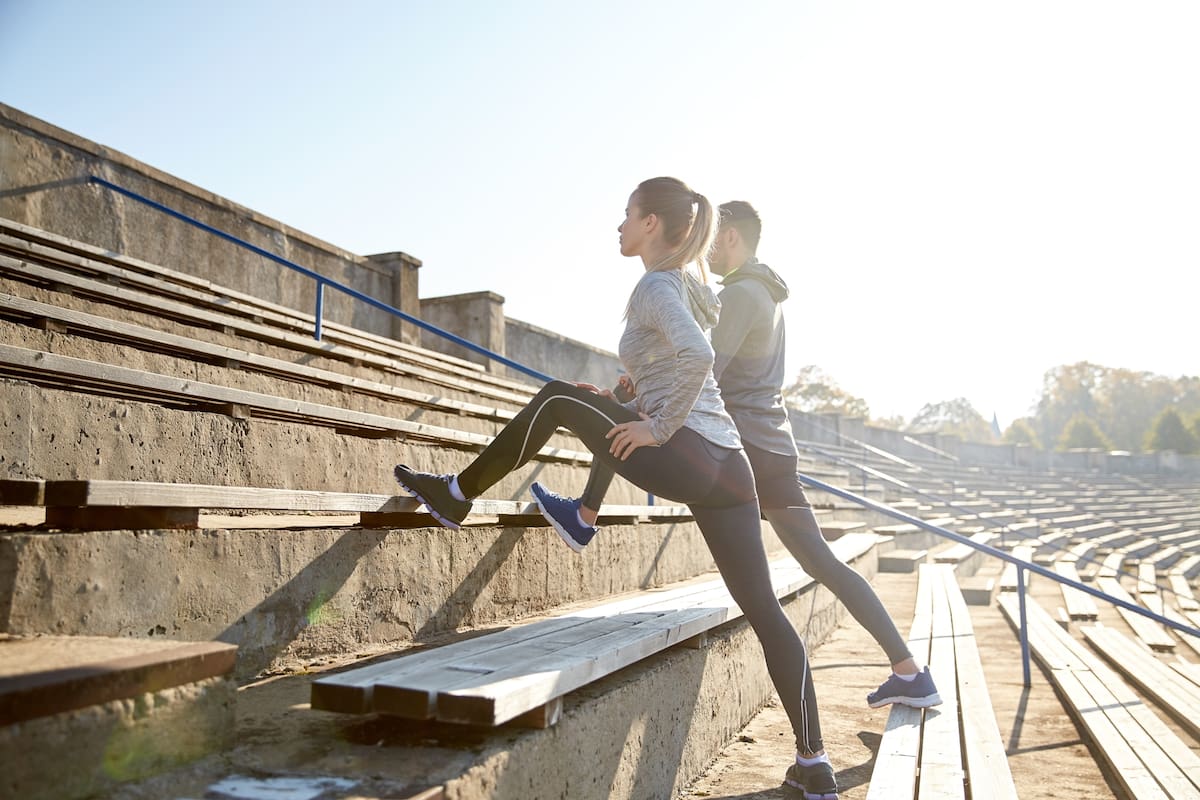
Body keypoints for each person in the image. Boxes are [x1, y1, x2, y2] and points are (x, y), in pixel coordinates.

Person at [393, 178, 839, 799]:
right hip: (729, 468)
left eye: (627, 216)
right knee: (763, 609)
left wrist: (656, 425)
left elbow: (699, 359)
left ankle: (455, 495)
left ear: (653, 223)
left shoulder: (658, 283)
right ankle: (814, 760)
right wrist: (638, 398)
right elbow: (680, 361)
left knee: (554, 397)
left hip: (688, 452)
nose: (620, 226)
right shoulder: (687, 284)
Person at [529, 201, 941, 712]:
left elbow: (702, 369)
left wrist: (639, 398)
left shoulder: (743, 295)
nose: (701, 249)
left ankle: (584, 515)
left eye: (709, 239)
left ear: (729, 239)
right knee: (822, 562)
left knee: (624, 422)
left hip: (741, 446)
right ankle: (908, 669)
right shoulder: (764, 292)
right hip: (770, 445)